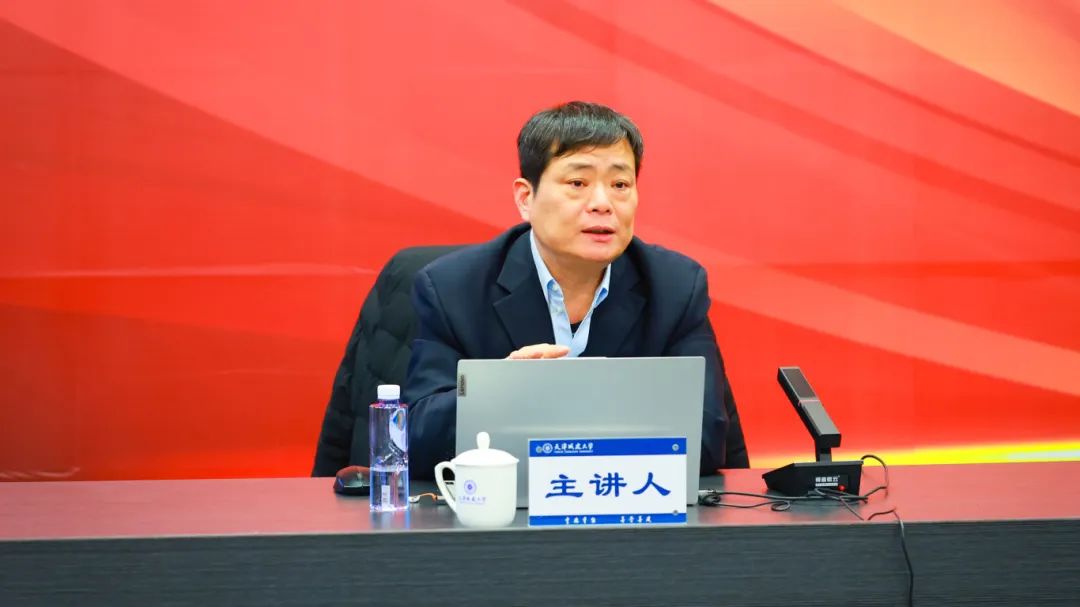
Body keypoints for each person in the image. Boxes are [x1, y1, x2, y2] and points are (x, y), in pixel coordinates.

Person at [404, 101, 747, 479]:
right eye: (577, 184)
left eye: (620, 185)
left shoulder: (675, 287)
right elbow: (417, 439)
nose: (602, 204)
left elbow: (705, 440)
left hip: (629, 505)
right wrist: (502, 389)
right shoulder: (453, 289)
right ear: (525, 198)